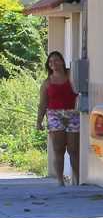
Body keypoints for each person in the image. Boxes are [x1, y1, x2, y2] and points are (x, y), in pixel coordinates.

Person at [37, 51, 81, 185]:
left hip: (73, 113)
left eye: (56, 60)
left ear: (62, 61)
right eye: (50, 62)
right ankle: (60, 181)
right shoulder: (47, 82)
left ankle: (77, 179)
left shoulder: (71, 76)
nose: (53, 64)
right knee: (58, 149)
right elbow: (43, 103)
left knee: (73, 149)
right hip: (54, 115)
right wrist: (38, 121)